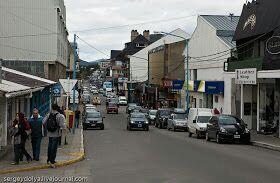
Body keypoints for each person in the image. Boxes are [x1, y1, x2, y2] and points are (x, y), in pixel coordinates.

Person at [43, 104, 66, 168]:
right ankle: (52, 161)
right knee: (54, 148)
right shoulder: (60, 116)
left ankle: (48, 160)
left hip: (50, 133)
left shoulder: (49, 115)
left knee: (49, 147)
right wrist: (65, 129)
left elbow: (43, 121)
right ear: (57, 108)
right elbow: (62, 125)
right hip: (56, 134)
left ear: (52, 108)